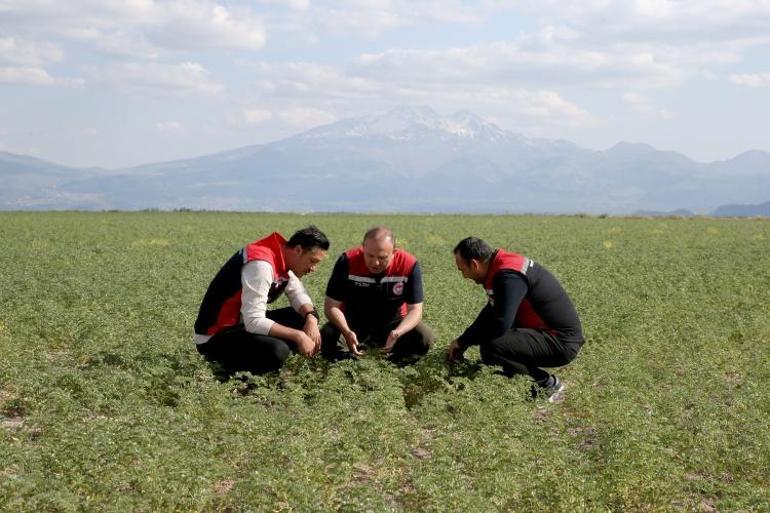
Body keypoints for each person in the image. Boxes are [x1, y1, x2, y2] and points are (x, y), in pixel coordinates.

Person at [446, 237, 584, 401]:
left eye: (462, 270)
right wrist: (462, 341)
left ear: (475, 264)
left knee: (493, 347)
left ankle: (546, 386)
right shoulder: (501, 266)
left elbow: (501, 323)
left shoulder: (508, 275)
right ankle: (531, 387)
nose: (464, 276)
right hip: (550, 335)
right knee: (494, 344)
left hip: (560, 341)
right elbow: (491, 312)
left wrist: (466, 342)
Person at [194, 225, 329, 375]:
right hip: (216, 337)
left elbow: (298, 294)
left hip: (241, 325)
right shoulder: (261, 264)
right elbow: (254, 322)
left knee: (303, 317)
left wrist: (311, 318)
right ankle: (244, 381)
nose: (313, 269)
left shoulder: (281, 255)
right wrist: (299, 336)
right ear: (298, 250)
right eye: (312, 261)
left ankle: (287, 369)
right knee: (277, 350)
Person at [321, 226, 434, 364]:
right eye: (370, 255)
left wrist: (398, 332)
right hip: (354, 324)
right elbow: (331, 307)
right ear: (363, 248)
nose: (375, 262)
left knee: (424, 337)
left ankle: (394, 367)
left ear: (394, 252)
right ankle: (351, 369)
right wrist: (346, 331)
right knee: (328, 334)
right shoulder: (347, 261)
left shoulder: (409, 265)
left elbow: (416, 310)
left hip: (393, 324)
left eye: (382, 257)